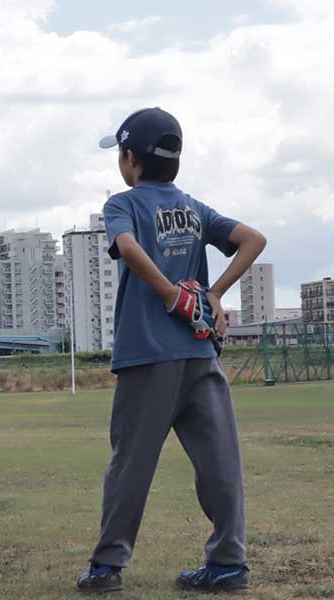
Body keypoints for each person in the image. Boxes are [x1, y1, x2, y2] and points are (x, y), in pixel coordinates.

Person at [76, 108, 267, 595]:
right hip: (201, 354)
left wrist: (165, 292)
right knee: (220, 460)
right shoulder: (194, 207)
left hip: (147, 355)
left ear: (129, 158)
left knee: (131, 464)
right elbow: (253, 240)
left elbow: (124, 244)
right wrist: (215, 293)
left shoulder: (124, 203)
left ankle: (106, 568)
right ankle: (228, 564)